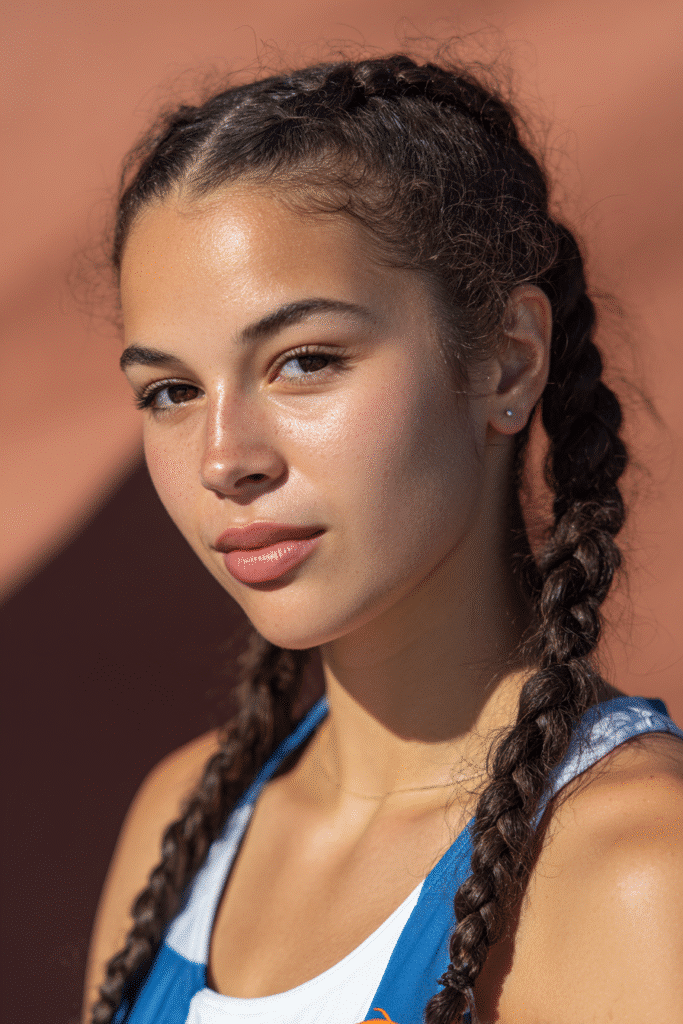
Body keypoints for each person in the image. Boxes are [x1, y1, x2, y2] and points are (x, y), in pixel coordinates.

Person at [83, 52, 683, 1024]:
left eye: (304, 360)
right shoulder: (180, 820)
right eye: (171, 391)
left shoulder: (643, 870)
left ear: (505, 362)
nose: (223, 457)